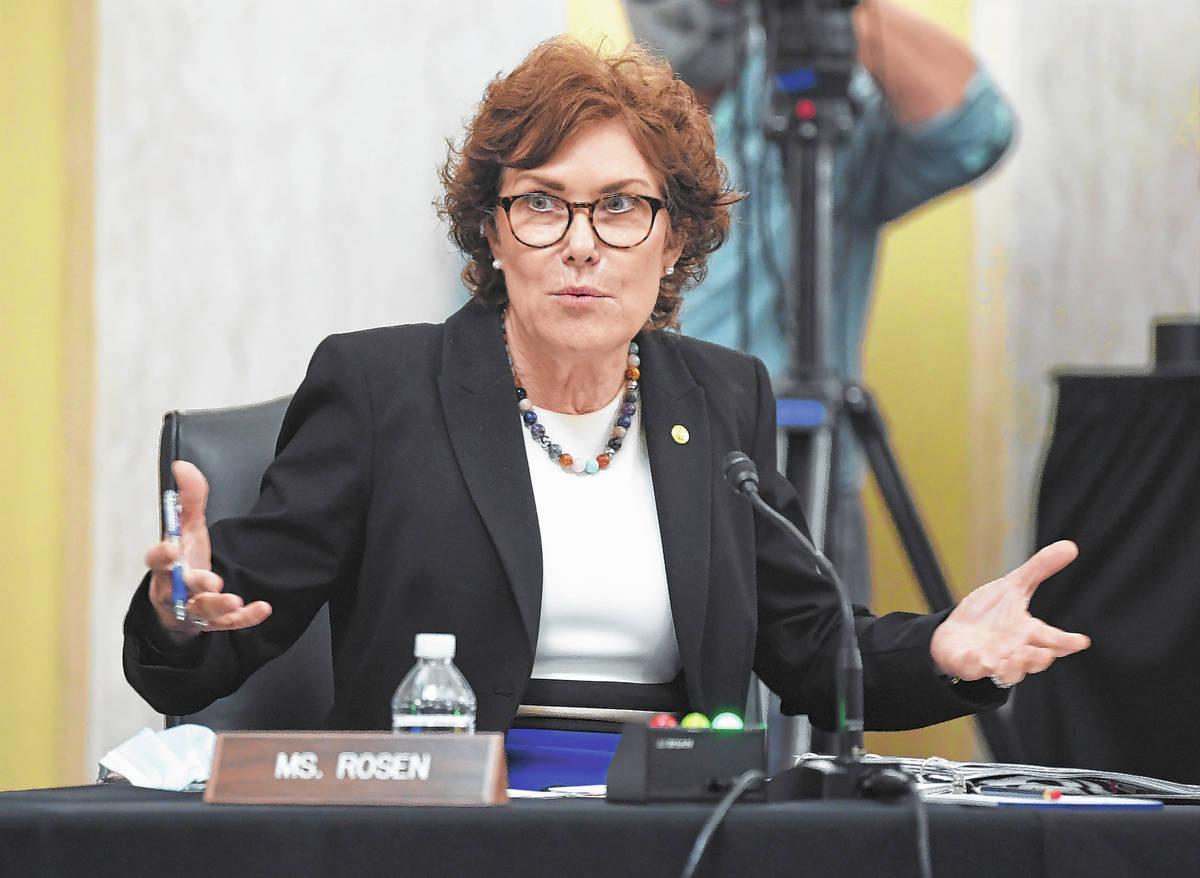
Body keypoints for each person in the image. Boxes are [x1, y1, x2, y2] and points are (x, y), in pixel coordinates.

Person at [124, 37, 1084, 788]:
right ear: (493, 234)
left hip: (668, 831)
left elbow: (810, 645)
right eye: (542, 205)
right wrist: (181, 617)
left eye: (622, 208)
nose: (582, 244)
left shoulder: (721, 397)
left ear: (674, 245)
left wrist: (948, 652)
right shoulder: (382, 388)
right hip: (437, 835)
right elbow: (221, 627)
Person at [625, 0, 1016, 601]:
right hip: (640, 479)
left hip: (810, 477)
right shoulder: (603, 124)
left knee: (825, 683)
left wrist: (828, 11)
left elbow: (977, 131)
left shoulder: (812, 101)